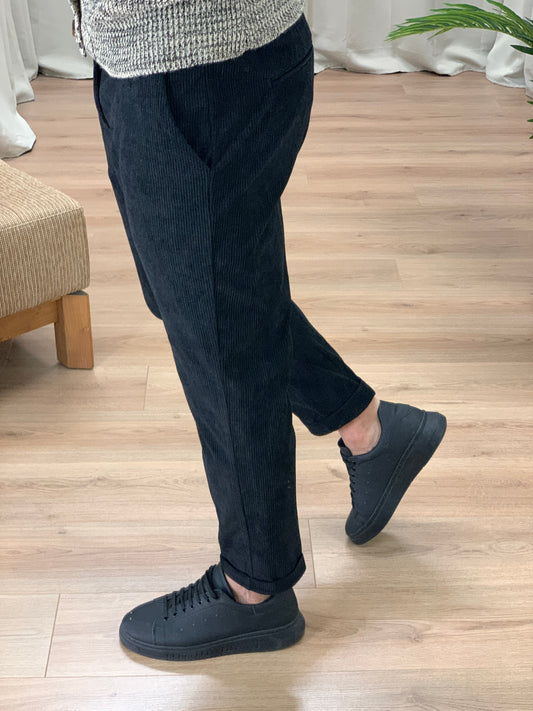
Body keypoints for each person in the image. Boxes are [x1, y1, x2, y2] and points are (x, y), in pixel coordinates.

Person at [70, 0, 447, 662]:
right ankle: (370, 429)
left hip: (196, 65)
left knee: (216, 322)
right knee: (198, 298)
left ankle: (256, 587)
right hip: (166, 57)